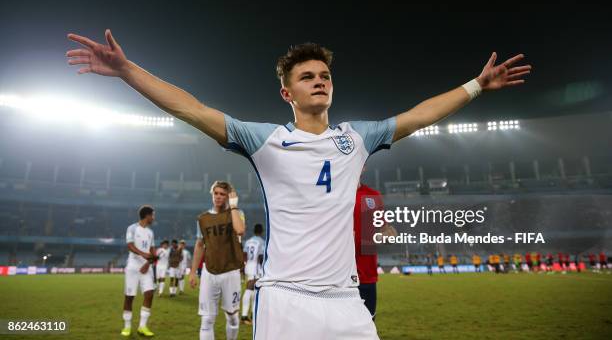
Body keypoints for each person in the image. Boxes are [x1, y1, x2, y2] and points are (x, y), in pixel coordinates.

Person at [67, 30, 530, 339]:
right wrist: (128, 72)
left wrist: (475, 86)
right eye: (307, 76)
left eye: (325, 75)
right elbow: (193, 108)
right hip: (285, 300)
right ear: (287, 93)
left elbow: (416, 115)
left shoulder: (357, 138)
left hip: (348, 301)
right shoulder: (265, 140)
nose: (319, 81)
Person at [190, 181, 245, 340]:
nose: (219, 197)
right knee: (206, 320)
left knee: (232, 317)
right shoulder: (203, 218)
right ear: (212, 194)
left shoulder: (237, 213)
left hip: (231, 271)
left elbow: (240, 230)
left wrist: (233, 206)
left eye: (223, 194)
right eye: (216, 193)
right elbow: (200, 245)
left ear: (229, 197)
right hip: (209, 271)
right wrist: (193, 271)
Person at [353, 179, 396, 320]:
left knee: (367, 326)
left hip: (367, 273)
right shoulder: (333, 193)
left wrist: (389, 235)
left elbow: (384, 228)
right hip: (338, 275)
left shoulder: (372, 195)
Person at [121, 205, 157, 337]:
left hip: (147, 267)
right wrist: (144, 255)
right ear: (147, 215)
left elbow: (152, 250)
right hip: (133, 267)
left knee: (149, 294)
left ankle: (142, 326)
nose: (153, 217)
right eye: (152, 215)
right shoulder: (132, 228)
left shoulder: (150, 232)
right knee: (129, 297)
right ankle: (127, 327)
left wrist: (149, 262)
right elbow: (130, 246)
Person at [241, 223, 265, 325]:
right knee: (250, 288)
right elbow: (260, 257)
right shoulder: (261, 242)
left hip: (248, 265)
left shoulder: (248, 241)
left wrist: (243, 267)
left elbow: (244, 254)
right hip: (256, 267)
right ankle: (244, 316)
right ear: (261, 231)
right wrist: (263, 268)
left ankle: (252, 314)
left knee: (254, 290)